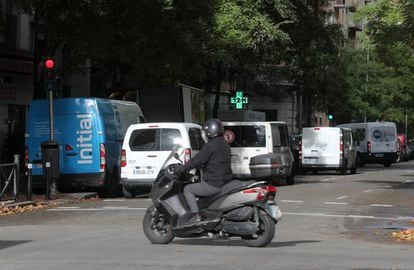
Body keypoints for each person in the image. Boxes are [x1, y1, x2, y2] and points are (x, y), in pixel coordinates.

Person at [177, 118, 233, 226]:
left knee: (188, 189)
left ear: (210, 131)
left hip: (214, 183)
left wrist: (183, 168)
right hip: (226, 182)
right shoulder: (225, 145)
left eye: (205, 131)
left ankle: (196, 216)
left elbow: (197, 160)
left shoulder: (210, 146)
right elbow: (216, 162)